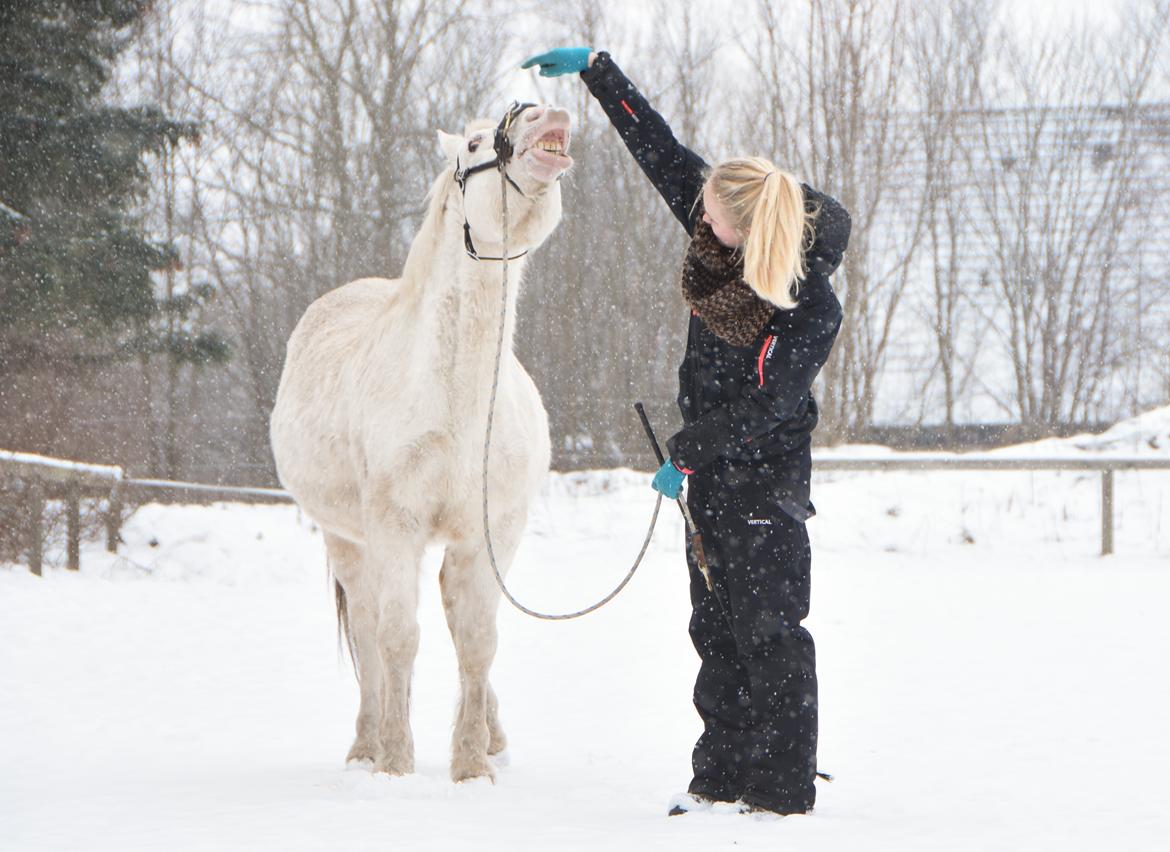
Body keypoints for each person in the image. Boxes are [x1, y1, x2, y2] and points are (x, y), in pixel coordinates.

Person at [520, 47, 851, 818]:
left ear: (751, 227)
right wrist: (598, 72)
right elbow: (659, 149)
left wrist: (689, 449)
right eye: (701, 206)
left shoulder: (809, 304)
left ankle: (781, 790)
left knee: (770, 633)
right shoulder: (716, 232)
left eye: (713, 214)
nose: (699, 216)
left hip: (767, 486)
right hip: (710, 480)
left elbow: (770, 404)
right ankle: (720, 776)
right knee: (715, 630)